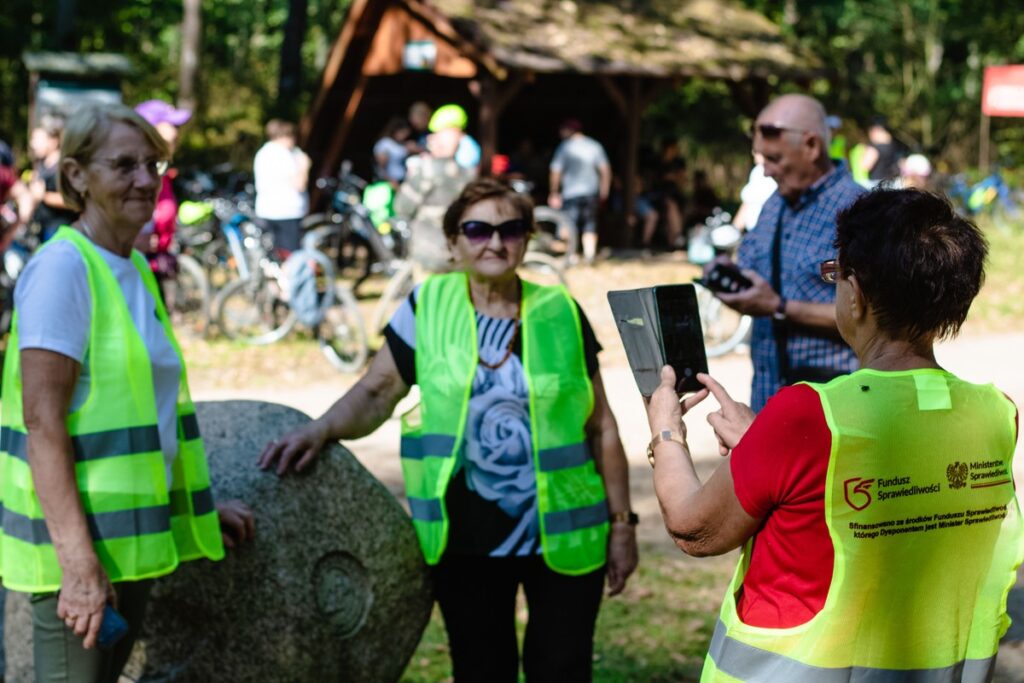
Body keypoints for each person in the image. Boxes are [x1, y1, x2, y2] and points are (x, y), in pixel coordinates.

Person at [260, 178, 638, 682]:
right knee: (482, 671)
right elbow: (377, 390)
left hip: (567, 536)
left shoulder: (561, 311)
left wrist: (623, 526)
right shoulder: (427, 305)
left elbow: (602, 427)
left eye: (510, 229)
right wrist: (323, 428)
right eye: (478, 230)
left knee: (562, 670)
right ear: (453, 242)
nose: (495, 243)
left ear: (527, 238)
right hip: (465, 538)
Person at [644, 188, 1022, 680]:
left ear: (856, 293)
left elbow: (694, 529)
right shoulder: (997, 414)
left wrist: (666, 431)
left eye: (834, 273)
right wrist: (765, 446)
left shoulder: (806, 416)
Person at [0, 104, 254, 682]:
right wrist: (79, 565)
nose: (145, 179)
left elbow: (144, 413)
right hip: (78, 549)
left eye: (153, 164)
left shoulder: (133, 266)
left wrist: (201, 511)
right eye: (123, 165)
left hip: (130, 542)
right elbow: (44, 424)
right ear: (77, 176)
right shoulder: (64, 269)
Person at [714, 94, 864, 411]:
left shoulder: (862, 212)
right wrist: (730, 278)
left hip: (832, 406)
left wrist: (779, 306)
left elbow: (871, 317)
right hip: (768, 398)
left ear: (811, 146)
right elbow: (754, 272)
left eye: (775, 159)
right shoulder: (774, 204)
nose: (766, 171)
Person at [133, 99, 192, 304]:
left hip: (154, 264)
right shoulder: (135, 170)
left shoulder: (160, 168)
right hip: (134, 266)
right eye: (171, 125)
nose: (176, 132)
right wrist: (132, 240)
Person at [548, 119, 611, 265]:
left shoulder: (565, 147)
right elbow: (605, 170)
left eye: (563, 130)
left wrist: (554, 192)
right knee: (590, 224)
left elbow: (555, 171)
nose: (560, 133)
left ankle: (572, 255)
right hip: (592, 192)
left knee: (570, 225)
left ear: (570, 130)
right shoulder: (594, 146)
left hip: (571, 193)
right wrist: (604, 190)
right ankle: (589, 256)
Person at [253, 119, 310, 254]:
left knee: (274, 254)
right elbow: (299, 184)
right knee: (290, 256)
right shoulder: (285, 155)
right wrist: (305, 166)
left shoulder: (263, 153)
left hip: (266, 210)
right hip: (286, 212)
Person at [27, 116, 78, 241]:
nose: (33, 144)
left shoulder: (64, 168)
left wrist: (44, 195)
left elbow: (73, 201)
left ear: (53, 141)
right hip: (42, 229)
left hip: (60, 231)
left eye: (38, 139)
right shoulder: (42, 165)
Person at [425, 103, 481, 171]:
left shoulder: (467, 146)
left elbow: (447, 155)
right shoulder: (465, 141)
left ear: (455, 129)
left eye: (442, 132)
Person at [731, 153, 776, 232]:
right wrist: (734, 230)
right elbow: (747, 203)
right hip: (753, 233)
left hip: (767, 232)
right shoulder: (757, 171)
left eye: (756, 151)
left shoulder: (778, 173)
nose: (753, 153)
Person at [373, 116, 413, 186]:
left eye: (406, 134)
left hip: (404, 178)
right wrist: (390, 181)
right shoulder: (385, 143)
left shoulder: (401, 144)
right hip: (391, 182)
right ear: (395, 130)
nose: (404, 136)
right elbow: (381, 168)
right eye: (402, 133)